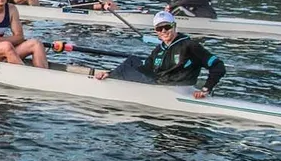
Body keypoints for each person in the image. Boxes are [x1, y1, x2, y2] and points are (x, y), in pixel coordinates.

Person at [93, 11, 225, 99]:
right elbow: (146, 69)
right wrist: (111, 73)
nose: (163, 31)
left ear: (174, 26)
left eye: (167, 27)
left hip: (177, 89)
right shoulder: (159, 49)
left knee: (129, 64)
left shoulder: (190, 46)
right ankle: (109, 76)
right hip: (159, 85)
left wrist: (206, 89)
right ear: (155, 31)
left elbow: (218, 66)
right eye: (159, 29)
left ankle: (106, 84)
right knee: (132, 61)